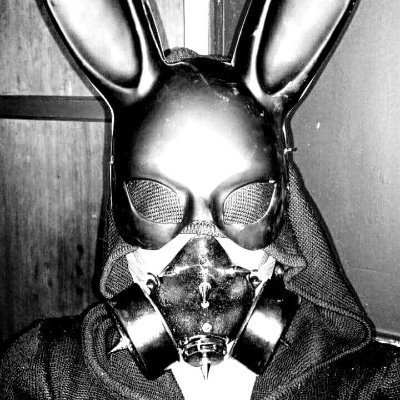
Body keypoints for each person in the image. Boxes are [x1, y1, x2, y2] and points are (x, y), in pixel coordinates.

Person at [1, 0, 400, 399]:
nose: (203, 264)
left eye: (242, 207)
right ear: (122, 232)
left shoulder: (373, 384)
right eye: (159, 206)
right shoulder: (44, 373)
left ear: (283, 224)